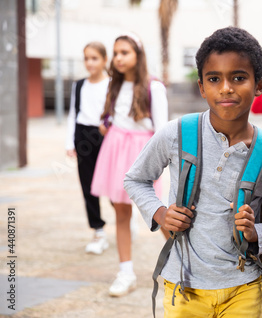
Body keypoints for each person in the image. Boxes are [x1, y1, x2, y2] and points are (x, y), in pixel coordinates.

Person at [124, 27, 262, 317]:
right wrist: (159, 214)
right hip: (183, 287)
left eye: (238, 77)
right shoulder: (176, 134)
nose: (225, 88)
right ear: (201, 87)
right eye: (214, 79)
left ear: (259, 85)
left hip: (244, 287)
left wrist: (257, 232)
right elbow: (135, 178)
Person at [90, 33, 168, 296]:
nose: (118, 58)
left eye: (125, 52)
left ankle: (184, 267)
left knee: (160, 213)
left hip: (142, 154)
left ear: (138, 55)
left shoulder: (153, 87)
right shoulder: (114, 84)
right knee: (120, 212)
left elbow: (162, 132)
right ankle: (125, 272)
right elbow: (112, 116)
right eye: (116, 53)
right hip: (115, 151)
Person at [65, 42, 109, 255]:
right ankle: (98, 230)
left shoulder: (111, 84)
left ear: (104, 60)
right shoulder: (79, 85)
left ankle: (125, 217)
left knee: (111, 183)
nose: (90, 62)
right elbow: (73, 114)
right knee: (88, 184)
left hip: (105, 135)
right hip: (83, 135)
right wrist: (69, 142)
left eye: (94, 58)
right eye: (87, 58)